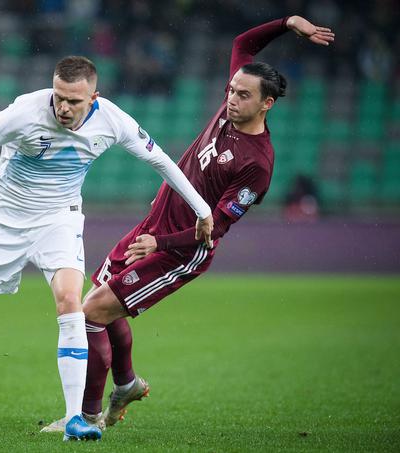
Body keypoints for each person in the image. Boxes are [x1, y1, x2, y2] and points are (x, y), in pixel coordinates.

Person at [0, 56, 214, 441]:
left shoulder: (113, 121)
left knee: (71, 300)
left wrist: (203, 211)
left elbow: (162, 161)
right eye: (59, 97)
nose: (64, 108)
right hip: (3, 222)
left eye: (75, 100)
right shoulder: (23, 113)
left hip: (60, 218)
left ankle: (75, 420)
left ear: (94, 97)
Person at [41, 16, 335, 432]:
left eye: (244, 95)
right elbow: (243, 43)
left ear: (267, 103)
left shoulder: (257, 167)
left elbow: (213, 228)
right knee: (100, 305)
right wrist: (288, 24)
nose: (232, 99)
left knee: (89, 314)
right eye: (231, 90)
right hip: (152, 227)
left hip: (178, 253)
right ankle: (125, 384)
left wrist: (159, 244)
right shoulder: (229, 108)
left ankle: (86, 417)